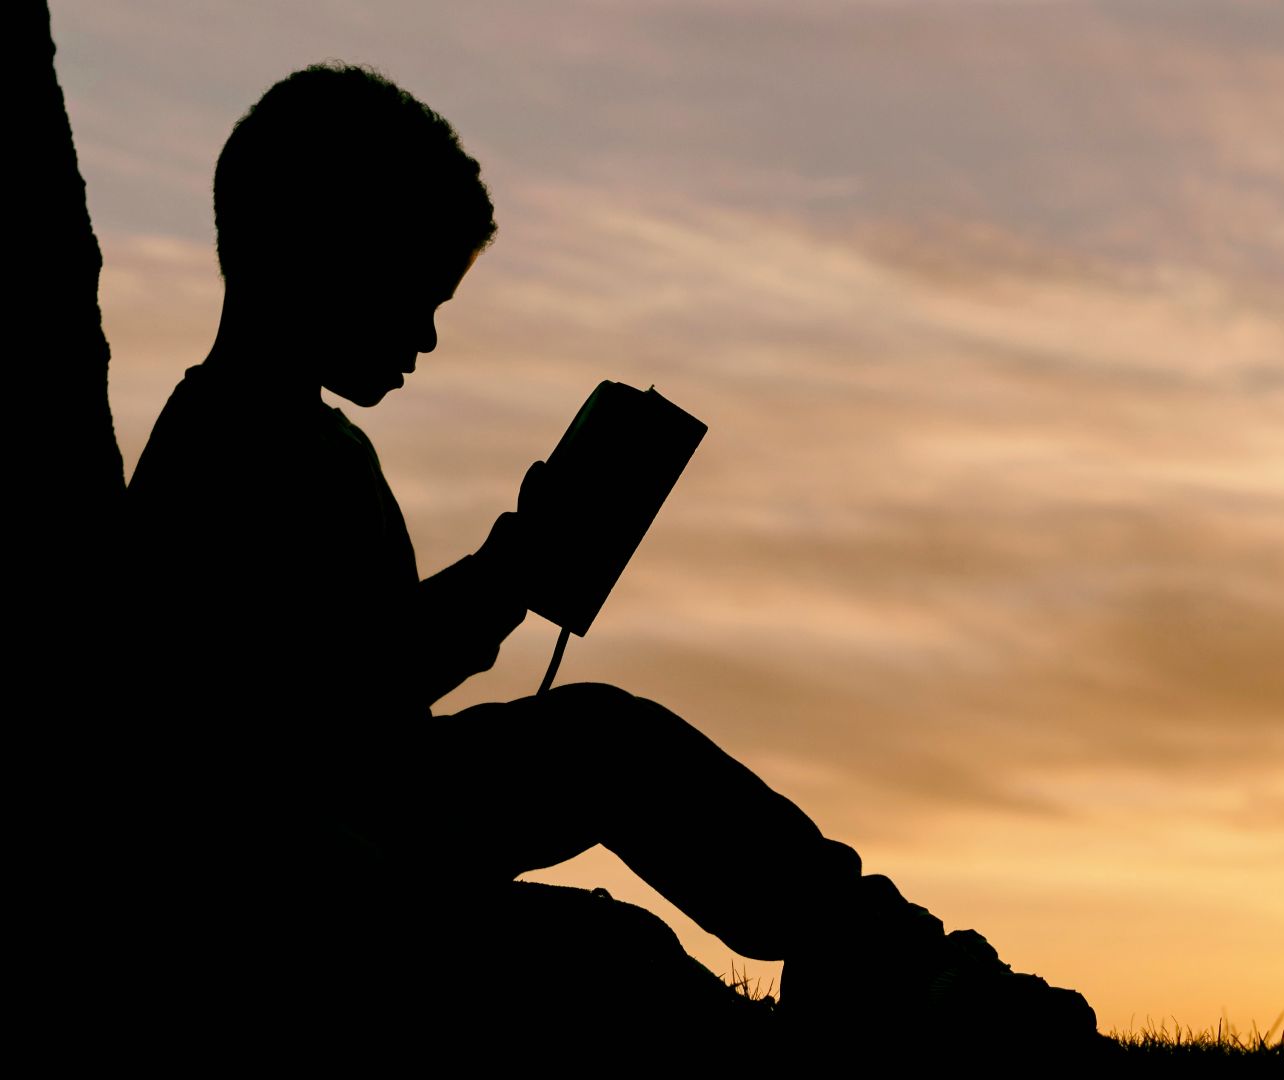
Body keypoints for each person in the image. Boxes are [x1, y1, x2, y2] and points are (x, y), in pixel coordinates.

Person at [123, 61, 1097, 1055]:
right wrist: (510, 573)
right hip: (298, 881)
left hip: (370, 812)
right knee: (612, 950)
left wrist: (513, 565)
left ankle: (890, 960)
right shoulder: (223, 450)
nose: (423, 336)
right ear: (321, 251)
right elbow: (312, 711)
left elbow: (368, 674)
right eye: (413, 291)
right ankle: (891, 1011)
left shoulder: (310, 441)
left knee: (607, 740)